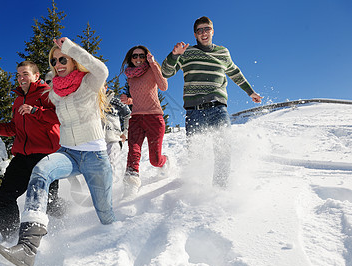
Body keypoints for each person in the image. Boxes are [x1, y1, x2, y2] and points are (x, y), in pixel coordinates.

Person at [0, 37, 115, 266]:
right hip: (67, 153)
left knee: (106, 215)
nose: (58, 63)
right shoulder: (56, 93)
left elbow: (102, 69)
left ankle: (112, 253)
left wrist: (69, 47)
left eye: (63, 59)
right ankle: (26, 249)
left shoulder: (89, 83)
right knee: (40, 171)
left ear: (74, 61)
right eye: (54, 60)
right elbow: (26, 122)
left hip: (94, 157)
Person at [161, 16, 263, 188]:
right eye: (199, 30)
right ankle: (197, 189)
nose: (203, 33)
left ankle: (218, 190)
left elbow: (235, 73)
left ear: (212, 31)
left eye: (206, 29)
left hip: (218, 108)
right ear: (195, 35)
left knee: (223, 149)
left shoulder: (223, 52)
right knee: (196, 153)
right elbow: (166, 73)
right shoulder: (187, 53)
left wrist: (250, 92)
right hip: (194, 110)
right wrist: (174, 55)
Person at [0, 61, 62, 241]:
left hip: (46, 156)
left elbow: (60, 116)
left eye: (25, 74)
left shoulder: (47, 94)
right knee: (4, 196)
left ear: (36, 76)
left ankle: (59, 231)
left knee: (47, 202)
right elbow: (14, 128)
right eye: (19, 75)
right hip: (22, 156)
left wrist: (35, 110)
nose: (21, 78)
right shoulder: (18, 99)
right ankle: (10, 239)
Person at [120, 45, 169, 199]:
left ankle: (164, 161)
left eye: (142, 56)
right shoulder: (130, 75)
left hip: (154, 118)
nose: (138, 59)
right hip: (136, 118)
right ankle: (130, 186)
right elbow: (139, 96)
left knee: (155, 160)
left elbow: (164, 86)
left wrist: (153, 63)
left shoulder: (151, 69)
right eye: (135, 56)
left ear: (146, 56)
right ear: (130, 59)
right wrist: (128, 100)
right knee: (133, 152)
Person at [103, 84, 131, 182]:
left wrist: (125, 134)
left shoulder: (115, 100)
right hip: (97, 140)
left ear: (106, 87)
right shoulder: (91, 101)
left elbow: (128, 115)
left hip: (114, 139)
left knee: (111, 164)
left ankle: (112, 191)